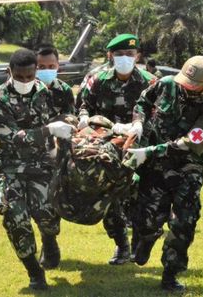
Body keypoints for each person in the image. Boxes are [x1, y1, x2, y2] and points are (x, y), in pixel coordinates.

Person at [125, 55, 203, 292]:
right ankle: (146, 238)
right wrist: (138, 123)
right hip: (154, 167)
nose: (185, 87)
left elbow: (191, 143)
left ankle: (170, 273)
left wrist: (150, 150)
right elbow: (142, 103)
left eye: (193, 85)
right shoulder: (166, 84)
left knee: (184, 221)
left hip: (188, 167)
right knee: (148, 217)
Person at [0, 48, 75, 290]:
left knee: (48, 217)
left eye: (29, 76)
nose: (25, 81)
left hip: (42, 165)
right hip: (11, 168)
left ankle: (49, 239)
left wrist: (70, 124)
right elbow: (13, 138)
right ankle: (35, 272)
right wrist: (49, 130)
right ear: (10, 72)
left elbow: (63, 116)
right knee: (15, 218)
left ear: (35, 71)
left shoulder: (45, 93)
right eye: (20, 77)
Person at [77, 33, 156, 265]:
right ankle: (121, 244)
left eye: (129, 54)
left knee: (141, 194)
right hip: (106, 147)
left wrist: (138, 127)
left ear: (137, 56)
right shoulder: (97, 79)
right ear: (110, 55)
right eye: (119, 54)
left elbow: (161, 115)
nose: (125, 58)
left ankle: (141, 240)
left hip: (140, 146)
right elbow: (83, 106)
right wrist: (84, 119)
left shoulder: (150, 82)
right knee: (109, 196)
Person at [35, 44, 75, 118]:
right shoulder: (26, 89)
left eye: (51, 66)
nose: (47, 70)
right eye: (42, 67)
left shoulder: (65, 90)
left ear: (58, 65)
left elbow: (70, 120)